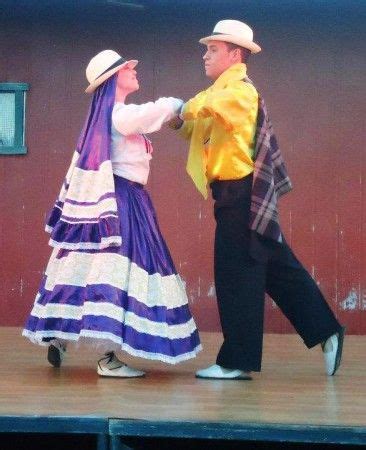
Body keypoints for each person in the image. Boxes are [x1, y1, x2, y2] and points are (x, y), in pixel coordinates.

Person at [171, 20, 345, 380]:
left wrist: (179, 106)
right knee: (273, 265)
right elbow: (200, 126)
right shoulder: (224, 93)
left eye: (213, 49)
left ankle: (237, 361)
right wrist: (176, 121)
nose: (205, 55)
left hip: (240, 193)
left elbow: (205, 106)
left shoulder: (237, 91)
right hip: (234, 194)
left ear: (235, 54)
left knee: (236, 273)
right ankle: (326, 331)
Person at [23, 49, 201, 377]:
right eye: (126, 68)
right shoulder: (118, 115)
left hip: (108, 198)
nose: (133, 69)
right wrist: (182, 105)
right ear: (113, 79)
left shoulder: (108, 117)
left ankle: (60, 335)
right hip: (122, 202)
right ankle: (108, 357)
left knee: (86, 267)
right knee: (118, 272)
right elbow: (156, 110)